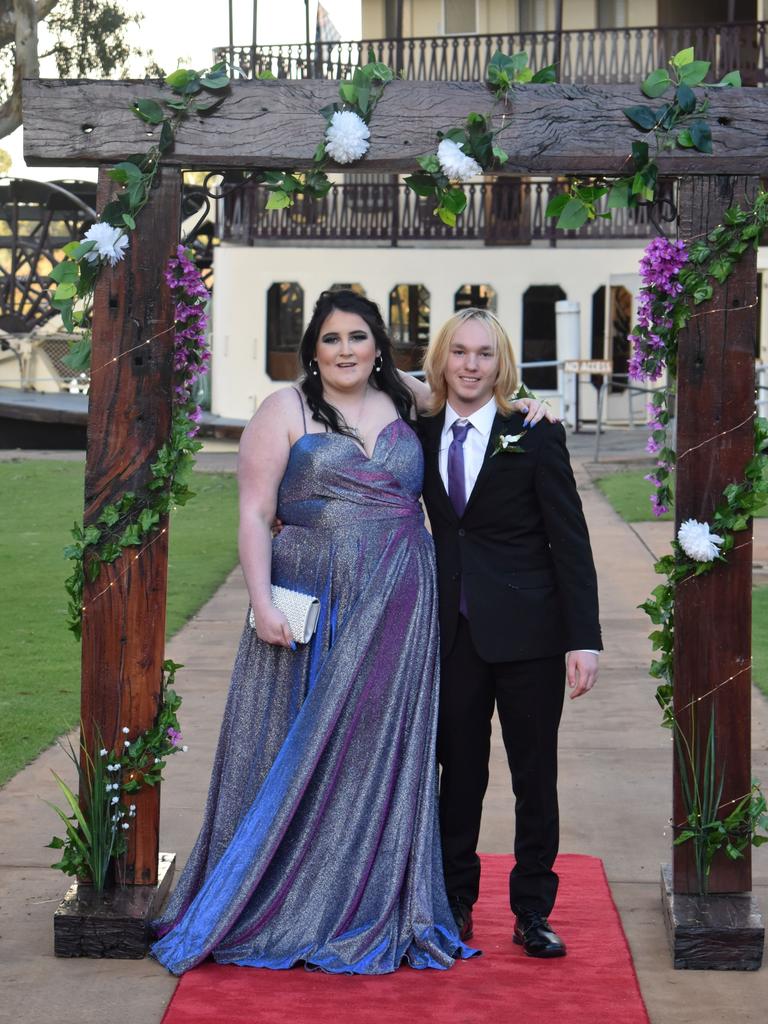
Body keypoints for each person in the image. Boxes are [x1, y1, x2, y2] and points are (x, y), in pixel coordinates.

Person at [151, 291, 549, 975]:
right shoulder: (284, 410)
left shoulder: (411, 400)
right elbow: (253, 514)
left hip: (402, 602)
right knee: (298, 745)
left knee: (377, 746)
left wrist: (536, 405)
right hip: (314, 601)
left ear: (377, 346)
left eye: (358, 337)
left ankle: (371, 893)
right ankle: (286, 895)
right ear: (313, 347)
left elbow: (480, 386)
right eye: (331, 338)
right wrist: (260, 601)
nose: (344, 350)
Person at [415, 307, 601, 959]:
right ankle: (456, 901)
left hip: (531, 633)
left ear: (502, 365)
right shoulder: (420, 429)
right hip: (452, 633)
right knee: (457, 777)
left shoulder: (536, 431)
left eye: (484, 354)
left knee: (533, 778)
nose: (471, 364)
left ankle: (532, 912)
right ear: (442, 360)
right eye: (459, 352)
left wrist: (585, 638)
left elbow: (569, 541)